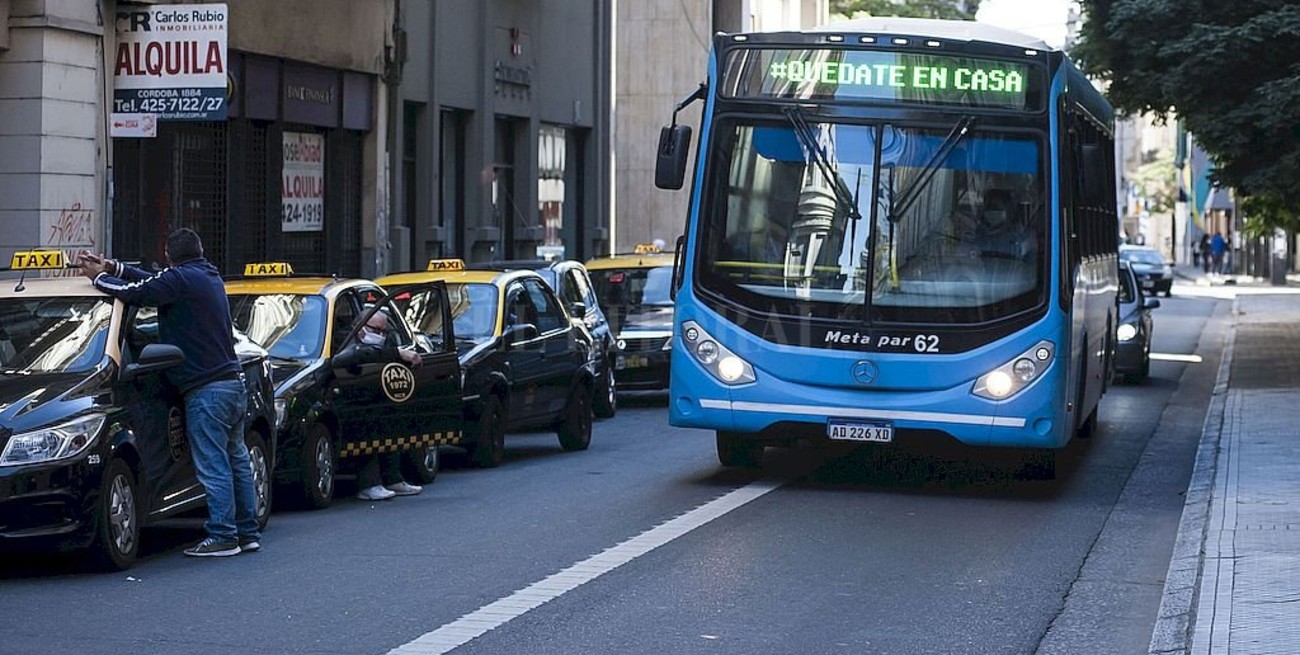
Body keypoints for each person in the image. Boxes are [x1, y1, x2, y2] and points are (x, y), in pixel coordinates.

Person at [77, 229, 260, 558]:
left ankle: (222, 536)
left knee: (214, 465)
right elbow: (152, 281)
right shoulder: (205, 275)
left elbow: (138, 292)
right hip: (232, 384)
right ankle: (247, 532)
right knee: (236, 461)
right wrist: (113, 266)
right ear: (199, 250)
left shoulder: (182, 280)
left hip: (206, 391)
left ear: (169, 255)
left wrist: (98, 278)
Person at [333, 308, 425, 501]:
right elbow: (350, 357)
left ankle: (393, 479)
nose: (380, 336)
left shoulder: (387, 341)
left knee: (391, 427)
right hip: (352, 402)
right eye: (376, 330)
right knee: (367, 436)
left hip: (379, 398)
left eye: (384, 331)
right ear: (359, 328)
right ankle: (369, 484)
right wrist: (396, 353)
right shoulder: (347, 341)